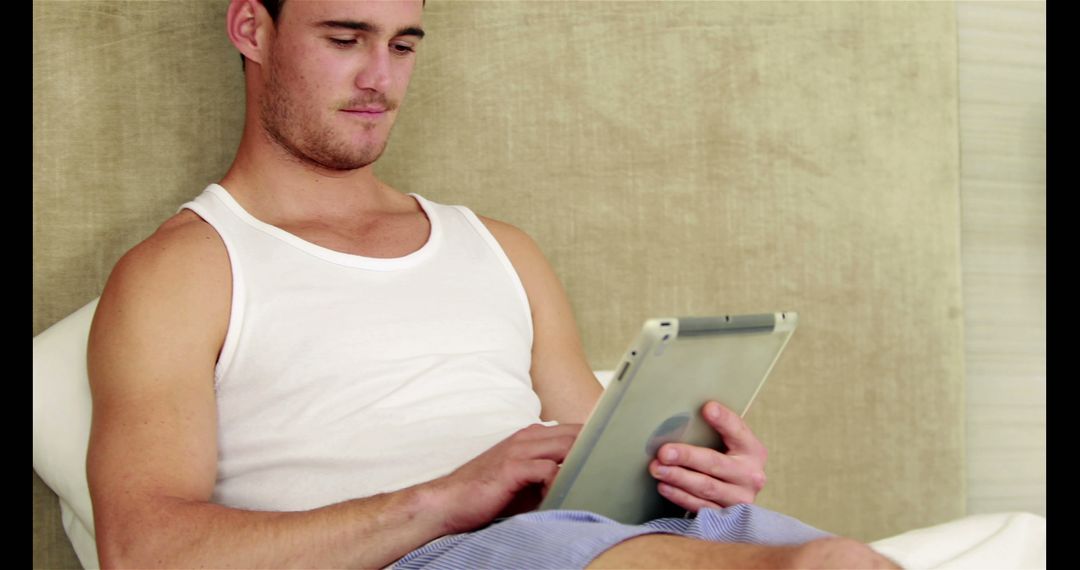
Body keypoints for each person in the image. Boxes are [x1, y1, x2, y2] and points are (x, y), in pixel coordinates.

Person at [85, 1, 900, 568]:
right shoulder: (183, 272)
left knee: (847, 560)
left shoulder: (500, 249)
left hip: (575, 544)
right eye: (345, 38)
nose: (381, 78)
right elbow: (146, 552)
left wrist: (694, 477)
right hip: (426, 558)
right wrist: (445, 498)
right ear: (251, 29)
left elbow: (598, 465)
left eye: (404, 44)